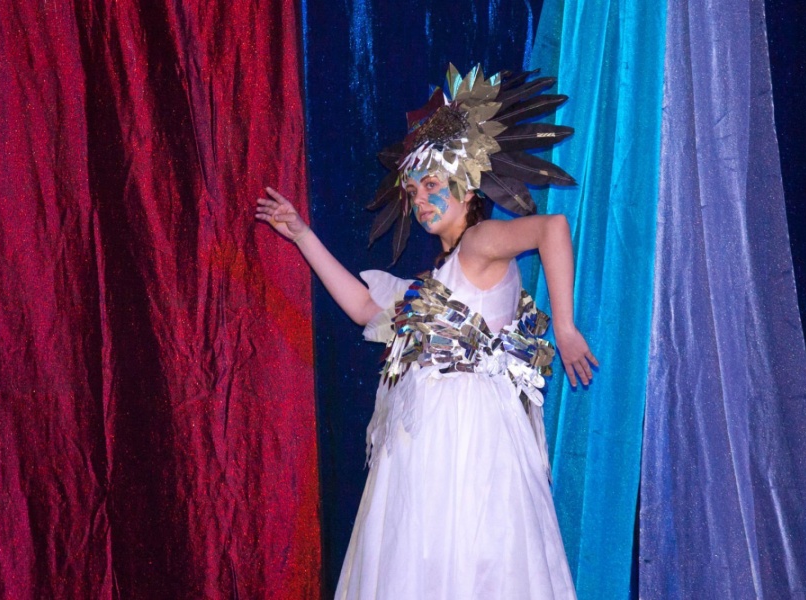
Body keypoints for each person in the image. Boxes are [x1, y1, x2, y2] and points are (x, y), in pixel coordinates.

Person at [255, 64, 597, 599]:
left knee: (467, 557)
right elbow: (366, 308)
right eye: (413, 192)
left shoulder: (480, 242)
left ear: (466, 183)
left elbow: (552, 228)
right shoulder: (435, 282)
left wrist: (567, 326)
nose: (420, 201)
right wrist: (301, 235)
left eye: (431, 185)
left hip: (467, 433)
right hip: (424, 435)